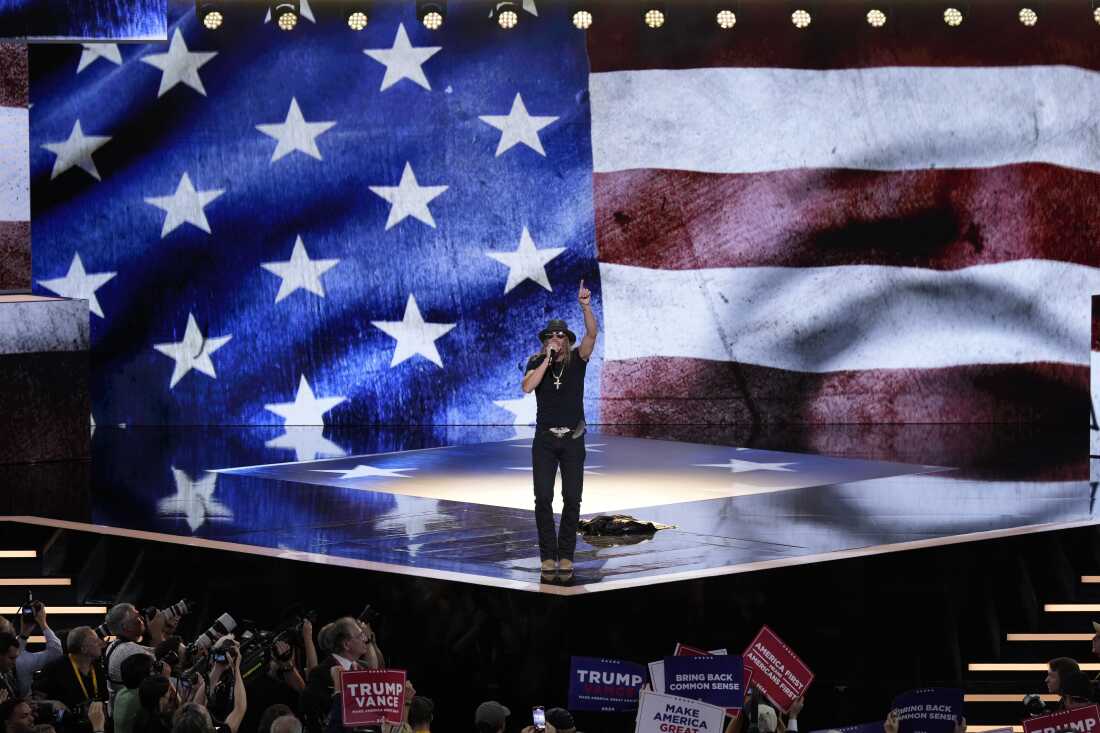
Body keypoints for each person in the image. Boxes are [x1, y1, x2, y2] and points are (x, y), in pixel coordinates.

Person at [521, 280, 598, 577]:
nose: (556, 338)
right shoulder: (537, 360)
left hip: (572, 440)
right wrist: (546, 360)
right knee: (542, 498)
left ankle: (566, 555)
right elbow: (527, 386)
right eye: (552, 335)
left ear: (567, 338)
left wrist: (585, 306)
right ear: (545, 340)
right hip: (544, 441)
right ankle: (547, 557)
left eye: (561, 335)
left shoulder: (579, 359)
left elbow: (592, 334)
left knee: (572, 498)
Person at [31, 627, 107, 731]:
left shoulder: (98, 668)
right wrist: (53, 703)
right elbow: (35, 700)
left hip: (94, 725)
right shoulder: (55, 668)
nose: (101, 643)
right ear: (83, 649)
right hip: (64, 727)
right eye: (95, 640)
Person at [0, 605, 63, 698]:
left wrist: (26, 632)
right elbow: (55, 653)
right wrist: (43, 624)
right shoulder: (21, 658)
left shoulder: (19, 657)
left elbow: (55, 654)